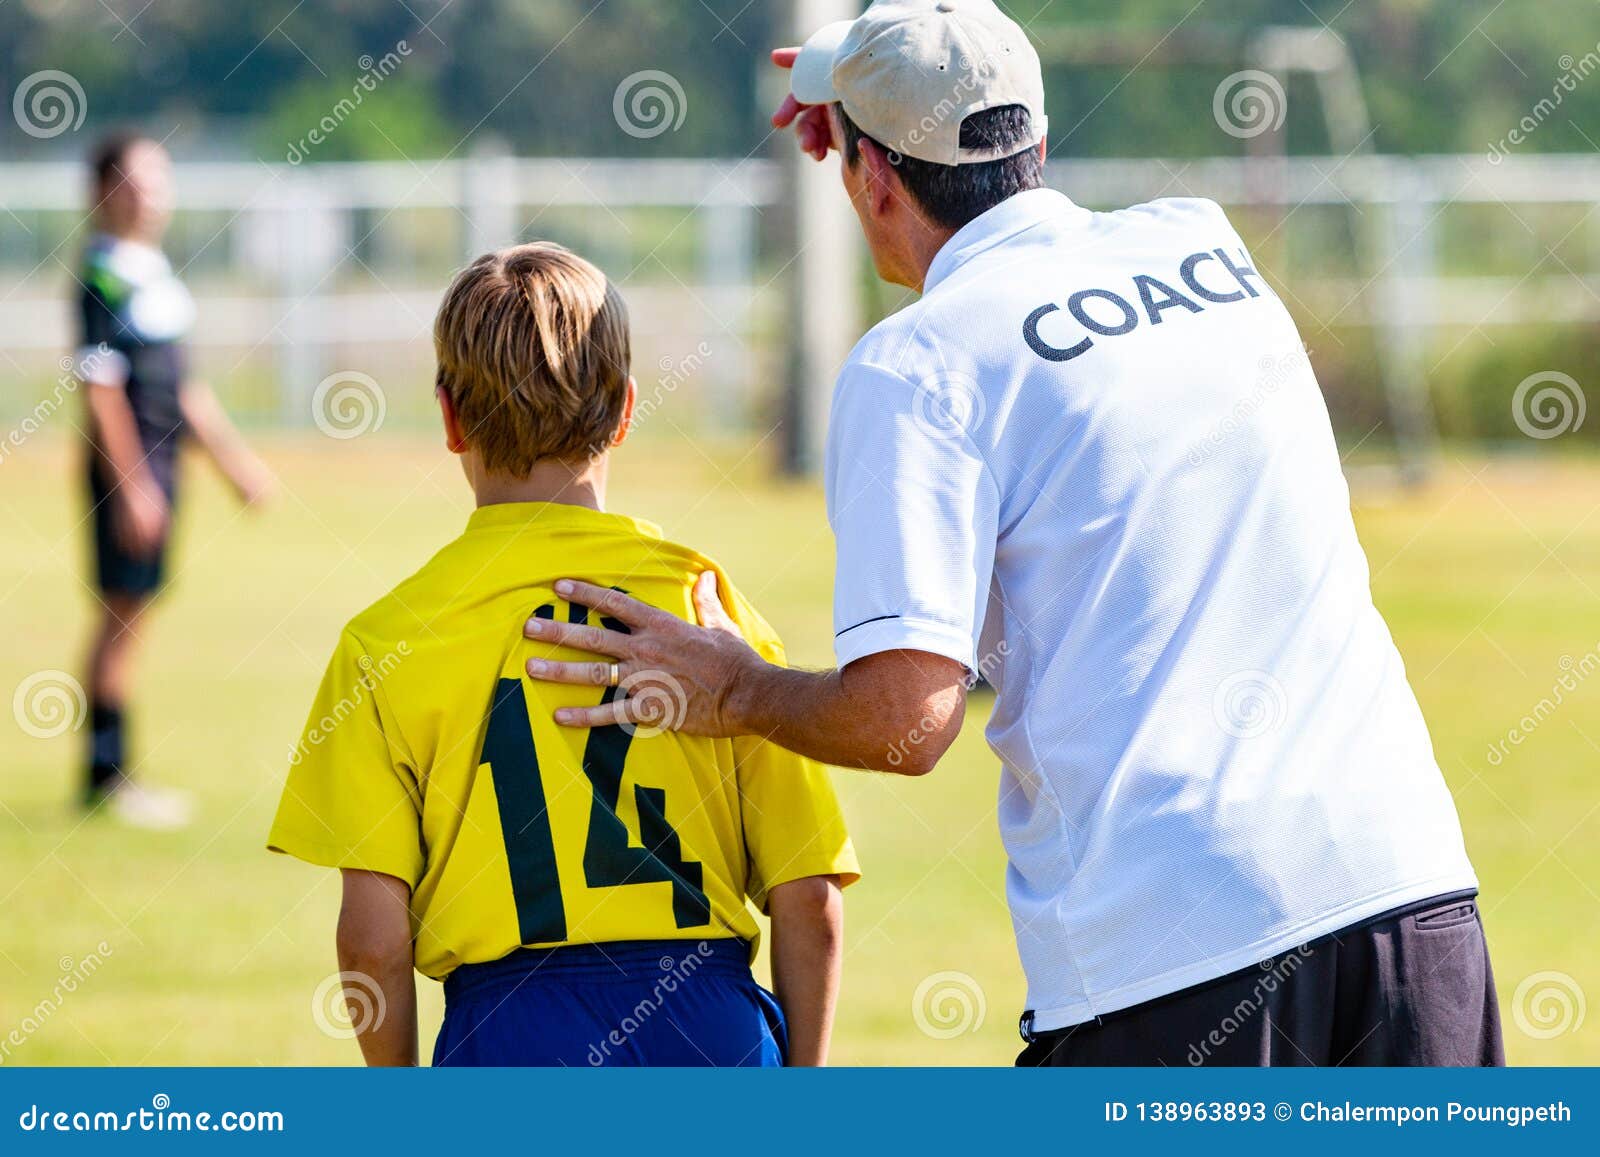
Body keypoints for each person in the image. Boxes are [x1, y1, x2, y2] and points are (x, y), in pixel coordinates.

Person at [520, 0, 1501, 1066]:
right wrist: (861, 115)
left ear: (872, 181)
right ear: (1032, 139)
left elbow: (907, 720)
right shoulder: (1204, 246)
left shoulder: (918, 364)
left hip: (1172, 957)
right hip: (1407, 890)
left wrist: (736, 686)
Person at [266, 242, 859, 1067]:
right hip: (708, 1028)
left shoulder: (384, 640)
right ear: (624, 409)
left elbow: (371, 943)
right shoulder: (711, 616)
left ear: (448, 417)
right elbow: (810, 902)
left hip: (508, 1033)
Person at [77, 132, 273, 830]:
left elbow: (181, 386)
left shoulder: (154, 268)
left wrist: (234, 465)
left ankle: (112, 773)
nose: (150, 193)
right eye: (134, 181)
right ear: (103, 190)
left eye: (158, 179)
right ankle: (106, 774)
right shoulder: (101, 271)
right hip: (132, 470)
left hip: (163, 467)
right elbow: (100, 388)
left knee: (136, 610)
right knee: (121, 614)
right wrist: (131, 482)